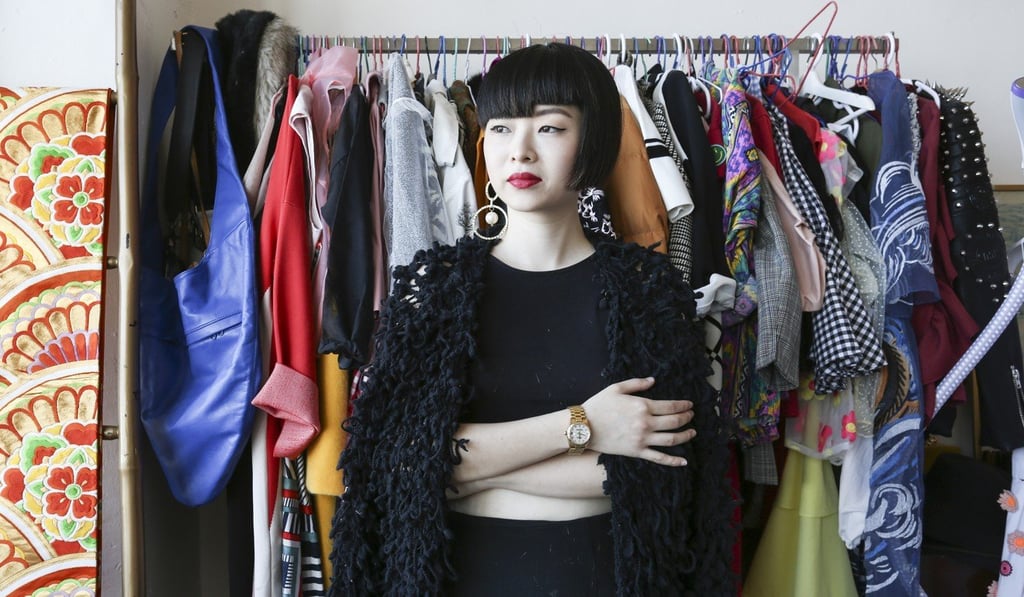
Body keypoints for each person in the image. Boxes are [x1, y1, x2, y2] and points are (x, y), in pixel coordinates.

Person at [328, 42, 736, 596]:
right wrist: (587, 427)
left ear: (592, 140)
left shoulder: (646, 290)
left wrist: (458, 468)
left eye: (549, 128)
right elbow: (392, 465)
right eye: (500, 128)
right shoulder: (437, 289)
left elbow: (662, 473)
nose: (519, 151)